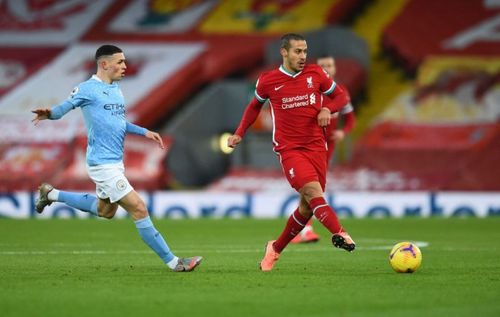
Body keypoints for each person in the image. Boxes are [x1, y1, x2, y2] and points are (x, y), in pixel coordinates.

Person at [31, 44, 202, 272]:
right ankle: (174, 262)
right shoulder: (86, 89)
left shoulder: (116, 90)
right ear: (104, 64)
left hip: (114, 162)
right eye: (120, 62)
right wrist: (50, 114)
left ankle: (51, 194)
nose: (125, 66)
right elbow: (63, 109)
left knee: (106, 211)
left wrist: (144, 132)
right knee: (139, 208)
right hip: (101, 164)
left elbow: (118, 123)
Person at [227, 33, 355, 272]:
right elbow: (254, 106)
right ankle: (340, 232)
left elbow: (340, 97)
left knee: (307, 208)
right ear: (284, 52)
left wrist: (327, 108)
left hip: (317, 146)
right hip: (290, 150)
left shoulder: (316, 74)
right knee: (312, 191)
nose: (303, 56)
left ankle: (274, 249)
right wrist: (239, 133)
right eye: (297, 51)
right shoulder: (268, 80)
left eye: (305, 51)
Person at [290, 54, 356, 244]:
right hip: (308, 144)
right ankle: (306, 229)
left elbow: (351, 119)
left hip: (327, 145)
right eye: (322, 65)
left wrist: (344, 132)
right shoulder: (309, 91)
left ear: (335, 69)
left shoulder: (341, 93)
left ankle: (302, 230)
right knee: (311, 187)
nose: (326, 68)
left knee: (314, 188)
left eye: (329, 65)